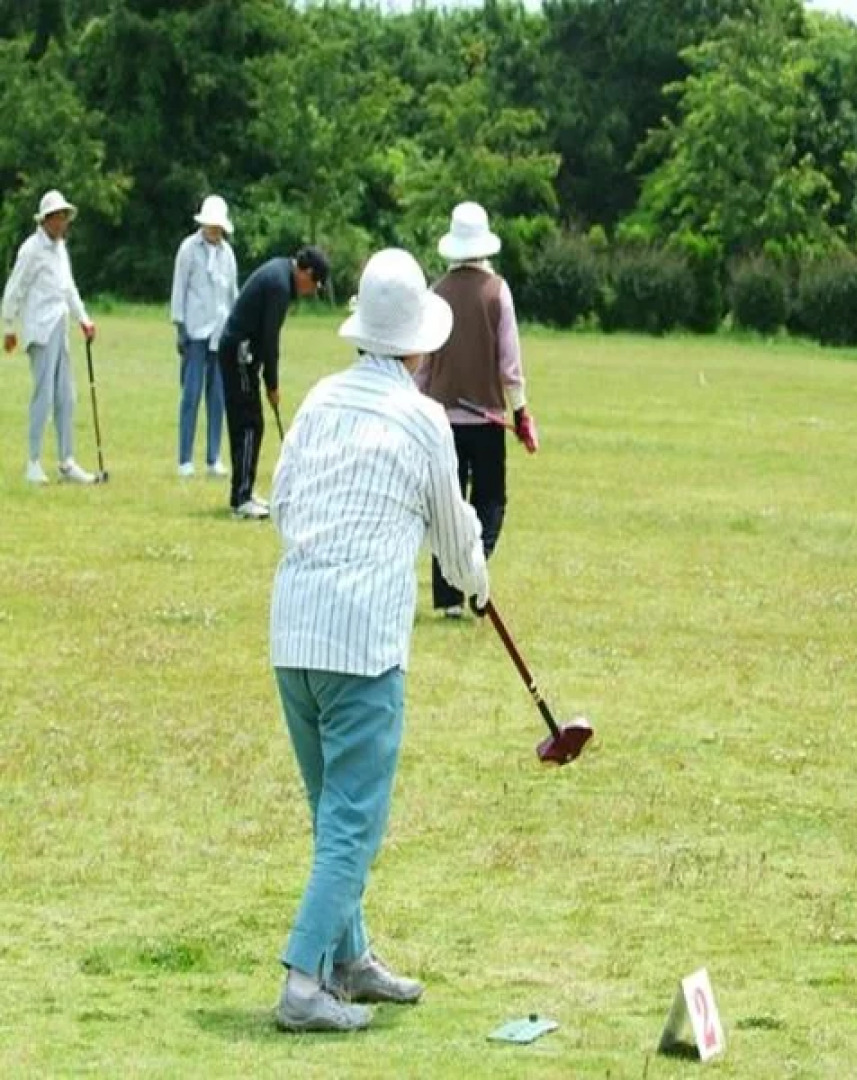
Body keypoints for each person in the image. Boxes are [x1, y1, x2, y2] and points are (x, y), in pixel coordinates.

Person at [268, 247, 489, 1033]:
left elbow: (283, 504)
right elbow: (455, 536)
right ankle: (303, 983)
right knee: (353, 823)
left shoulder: (321, 398)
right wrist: (477, 580)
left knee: (333, 811)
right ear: (419, 344)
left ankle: (351, 959)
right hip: (361, 646)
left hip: (293, 634)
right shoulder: (424, 421)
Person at [417, 201, 538, 619]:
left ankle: (449, 598)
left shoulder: (435, 294)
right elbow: (510, 365)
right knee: (490, 500)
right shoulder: (497, 291)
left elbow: (423, 364)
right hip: (486, 420)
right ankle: (476, 567)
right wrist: (521, 414)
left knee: (445, 506)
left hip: (441, 419)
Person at [217, 245, 328, 518]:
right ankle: (241, 499)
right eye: (314, 284)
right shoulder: (280, 285)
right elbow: (270, 340)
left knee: (248, 423)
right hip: (240, 354)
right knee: (249, 424)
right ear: (306, 273)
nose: (311, 292)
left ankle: (243, 491)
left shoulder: (280, 273)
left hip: (239, 353)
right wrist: (272, 384)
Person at [2, 189, 98, 484]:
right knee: (42, 396)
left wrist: (84, 319)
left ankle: (67, 461)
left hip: (60, 326)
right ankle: (33, 462)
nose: (63, 223)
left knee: (66, 396)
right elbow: (15, 288)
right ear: (46, 220)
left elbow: (68, 288)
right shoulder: (31, 250)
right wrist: (8, 327)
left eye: (65, 217)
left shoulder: (60, 249)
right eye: (58, 218)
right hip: (40, 330)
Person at [170, 195, 238, 478]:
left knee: (218, 397)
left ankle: (214, 458)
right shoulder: (188, 248)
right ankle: (185, 459)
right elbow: (179, 288)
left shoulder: (227, 254)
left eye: (218, 227)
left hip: (220, 333)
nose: (214, 231)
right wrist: (180, 327)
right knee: (191, 394)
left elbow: (232, 293)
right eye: (211, 226)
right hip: (195, 331)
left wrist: (235, 329)